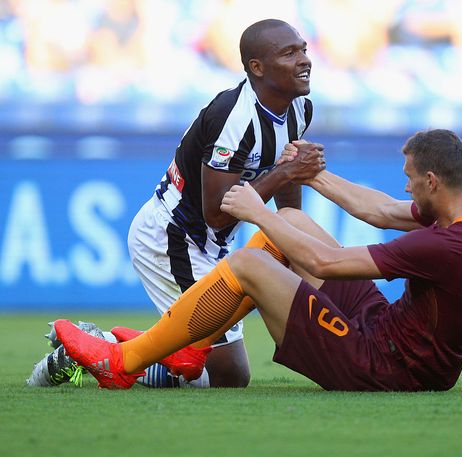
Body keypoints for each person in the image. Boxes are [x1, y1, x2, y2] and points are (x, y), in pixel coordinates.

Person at [54, 129, 462, 391]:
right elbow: (384, 212)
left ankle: (123, 363)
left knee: (251, 263)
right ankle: (187, 345)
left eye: (410, 178)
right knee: (293, 219)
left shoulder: (442, 247)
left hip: (386, 366)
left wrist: (257, 212)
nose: (406, 187)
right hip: (395, 335)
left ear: (432, 181)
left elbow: (326, 263)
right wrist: (313, 176)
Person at [26, 18, 324, 389]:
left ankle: (106, 346)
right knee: (227, 375)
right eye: (289, 53)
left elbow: (286, 175)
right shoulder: (234, 118)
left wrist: (290, 230)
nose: (304, 60)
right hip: (174, 238)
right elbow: (216, 214)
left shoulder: (299, 108)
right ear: (257, 67)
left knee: (213, 367)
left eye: (303, 50)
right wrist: (285, 173)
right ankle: (94, 350)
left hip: (211, 244)